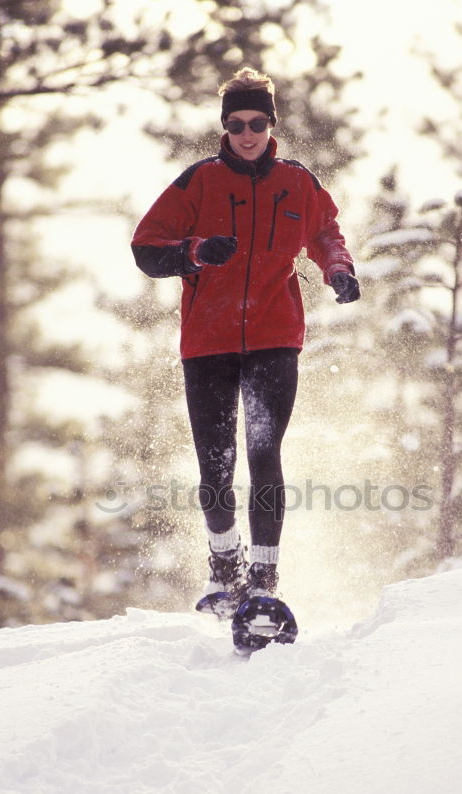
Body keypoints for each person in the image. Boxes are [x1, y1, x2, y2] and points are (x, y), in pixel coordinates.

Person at [131, 67, 359, 614]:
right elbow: (145, 247)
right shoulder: (199, 181)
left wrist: (339, 270)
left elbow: (325, 233)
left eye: (257, 122)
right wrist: (194, 251)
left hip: (274, 338)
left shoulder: (297, 181)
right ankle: (224, 568)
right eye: (236, 123)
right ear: (225, 127)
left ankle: (264, 579)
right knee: (215, 460)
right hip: (207, 341)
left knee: (262, 450)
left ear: (271, 123)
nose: (247, 132)